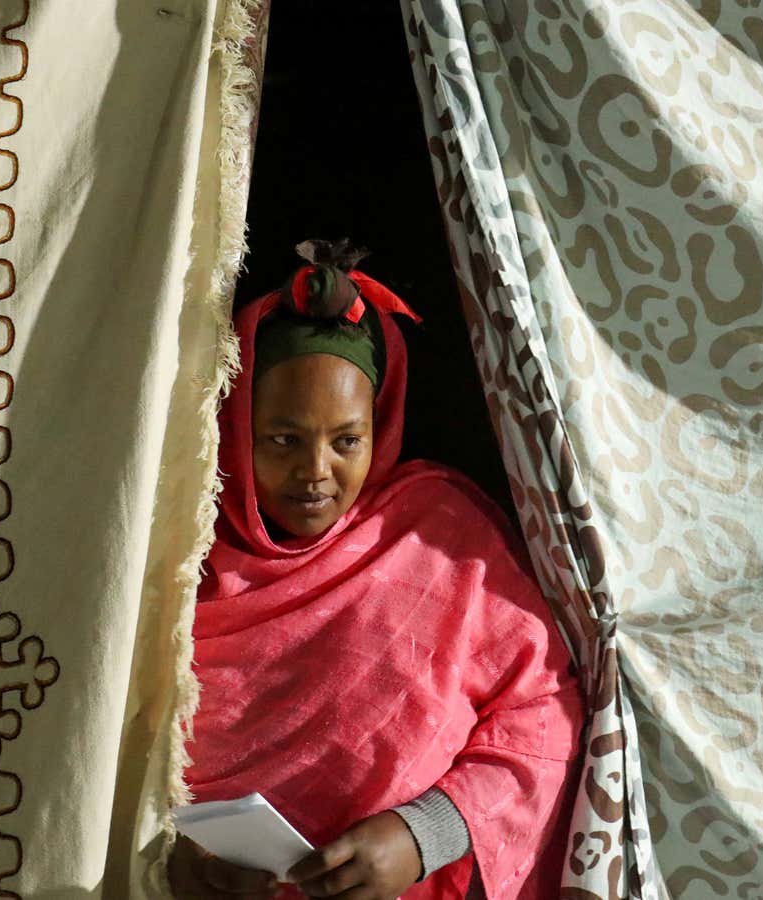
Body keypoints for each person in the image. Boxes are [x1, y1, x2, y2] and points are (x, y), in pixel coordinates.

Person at [169, 240, 583, 899]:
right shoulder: (175, 564)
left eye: (346, 441)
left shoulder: (439, 542)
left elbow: (547, 713)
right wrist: (181, 862)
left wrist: (422, 836)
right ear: (234, 424)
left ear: (382, 422)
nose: (315, 472)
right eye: (283, 438)